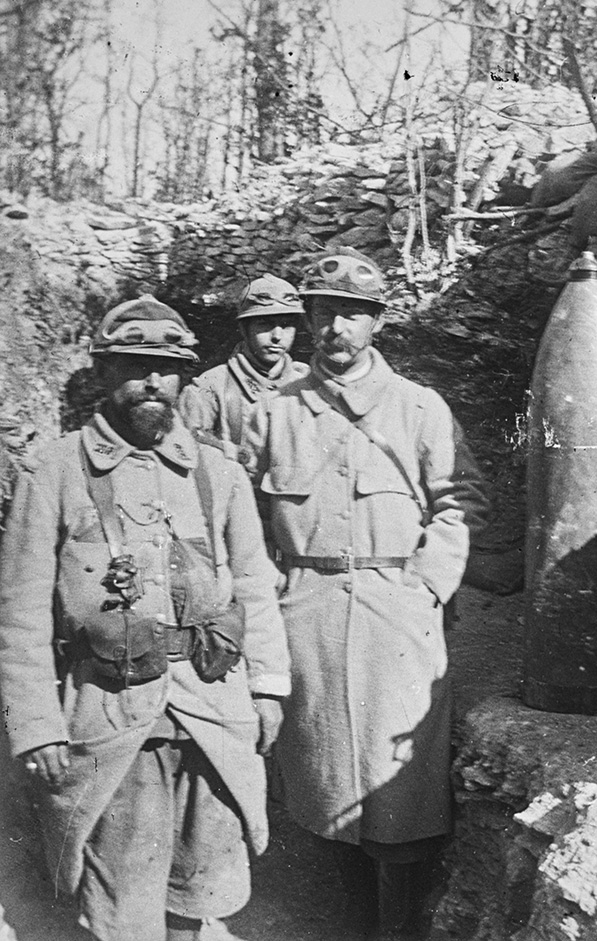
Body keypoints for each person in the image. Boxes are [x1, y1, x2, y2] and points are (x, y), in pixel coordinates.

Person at [0, 296, 290, 941]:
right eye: (133, 366)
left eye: (165, 367)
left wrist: (268, 687)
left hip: (213, 711)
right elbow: (18, 615)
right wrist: (37, 728)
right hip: (112, 718)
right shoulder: (53, 473)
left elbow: (254, 586)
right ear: (104, 373)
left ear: (185, 375)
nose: (151, 382)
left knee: (199, 888)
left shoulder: (219, 473)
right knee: (120, 907)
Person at [244, 248, 487, 939]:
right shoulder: (274, 412)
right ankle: (351, 915)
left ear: (376, 322)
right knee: (323, 779)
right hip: (307, 608)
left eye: (352, 314)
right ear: (308, 320)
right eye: (323, 313)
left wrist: (427, 585)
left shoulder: (419, 407)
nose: (335, 329)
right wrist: (270, 586)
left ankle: (399, 924)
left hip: (396, 612)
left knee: (401, 792)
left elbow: (460, 501)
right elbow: (240, 515)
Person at [180, 274, 310, 458]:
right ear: (244, 328)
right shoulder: (210, 386)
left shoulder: (306, 384)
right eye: (265, 324)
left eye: (287, 325)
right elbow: (186, 444)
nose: (277, 336)